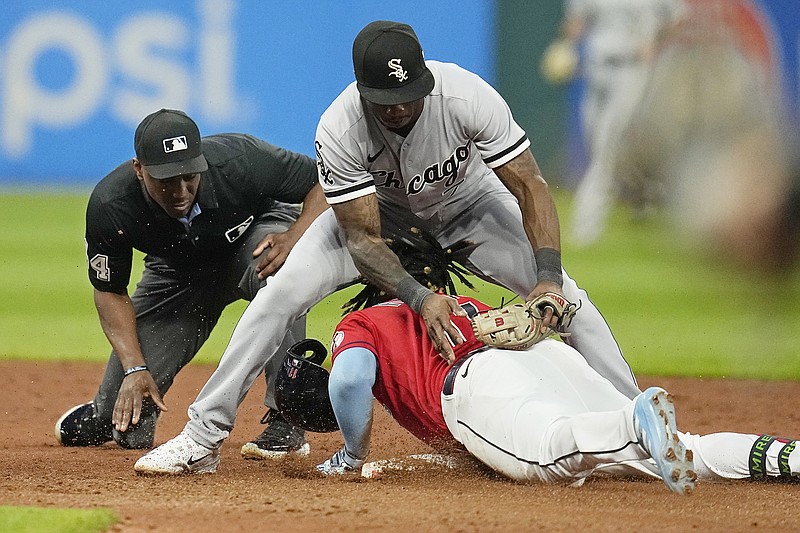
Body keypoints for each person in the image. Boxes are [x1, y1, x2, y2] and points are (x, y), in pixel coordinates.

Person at [132, 20, 640, 475]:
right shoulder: (340, 127)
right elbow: (360, 239)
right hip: (378, 220)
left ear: (426, 78)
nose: (397, 106)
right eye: (383, 96)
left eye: (408, 92)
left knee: (569, 299)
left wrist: (547, 273)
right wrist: (419, 297)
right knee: (279, 295)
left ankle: (640, 422)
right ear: (361, 89)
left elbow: (529, 185)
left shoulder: (466, 97)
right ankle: (203, 435)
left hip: (467, 206)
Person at [303, 233, 798, 492]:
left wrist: (352, 453)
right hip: (546, 355)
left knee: (548, 458)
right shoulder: (460, 303)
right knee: (680, 450)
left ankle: (631, 421)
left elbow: (349, 379)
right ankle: (786, 457)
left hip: (480, 385)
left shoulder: (365, 322)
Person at [54, 109, 328, 453]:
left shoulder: (240, 159)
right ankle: (102, 412)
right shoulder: (112, 205)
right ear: (139, 170)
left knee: (282, 273)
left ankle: (287, 419)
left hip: (254, 242)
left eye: (189, 176)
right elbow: (110, 291)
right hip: (178, 275)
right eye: (166, 180)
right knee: (124, 426)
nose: (181, 191)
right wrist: (134, 366)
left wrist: (295, 234)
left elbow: (325, 179)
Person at [553, 0, 685, 246]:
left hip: (632, 69)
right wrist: (567, 46)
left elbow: (676, 19)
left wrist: (656, 41)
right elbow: (576, 21)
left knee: (605, 149)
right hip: (595, 69)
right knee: (598, 146)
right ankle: (642, 190)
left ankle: (585, 228)